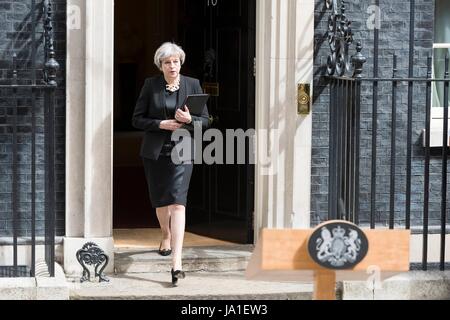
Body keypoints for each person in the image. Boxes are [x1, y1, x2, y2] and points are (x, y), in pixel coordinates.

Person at [132, 42, 210, 286]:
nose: (172, 66)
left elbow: (205, 121)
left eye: (175, 61)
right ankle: (165, 235)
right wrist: (160, 124)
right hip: (156, 152)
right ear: (161, 65)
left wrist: (190, 119)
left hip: (182, 150)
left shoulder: (193, 84)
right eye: (167, 62)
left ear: (180, 63)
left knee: (177, 203)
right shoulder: (150, 85)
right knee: (161, 201)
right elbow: (137, 119)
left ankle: (176, 263)